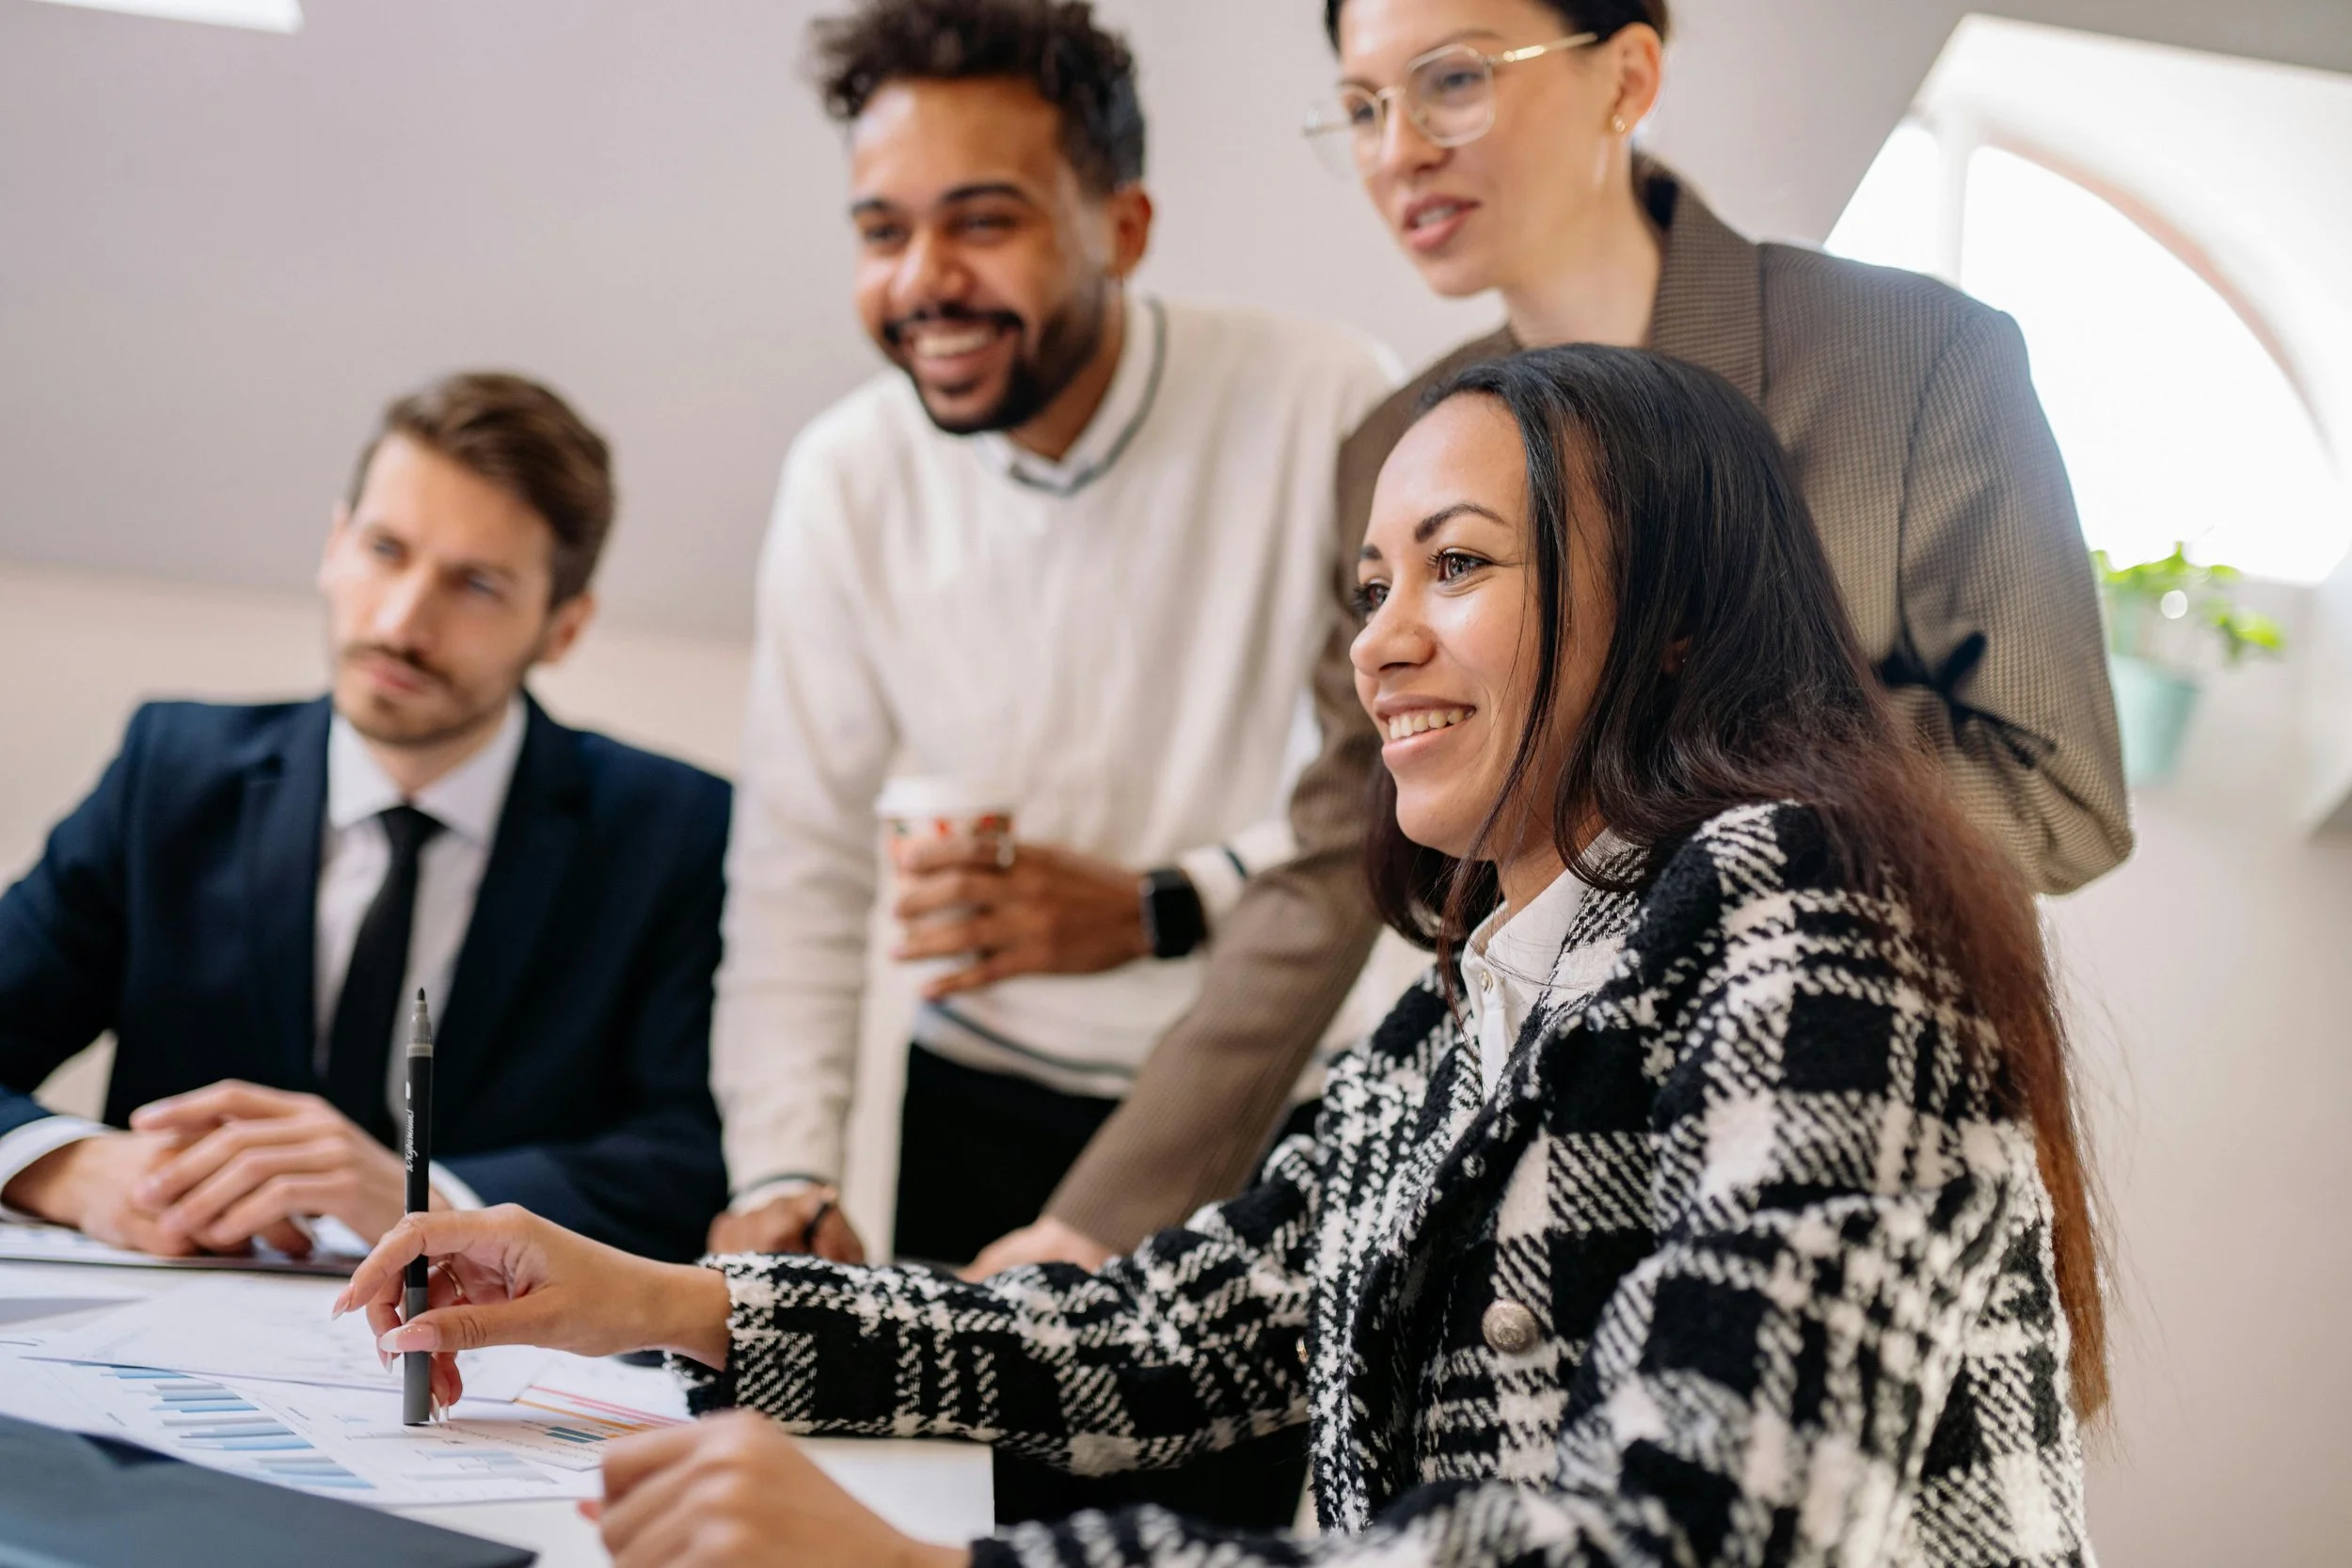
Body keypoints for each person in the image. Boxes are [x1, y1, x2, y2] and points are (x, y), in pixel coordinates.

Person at [341, 343, 2107, 1568]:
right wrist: (653, 1295)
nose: (1383, 645)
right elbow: (1159, 1335)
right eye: (1366, 587)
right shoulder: (1462, 1009)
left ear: (1674, 621)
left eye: (1460, 566)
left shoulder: (1812, 905)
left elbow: (1703, 1533)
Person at [974, 0, 2144, 1283]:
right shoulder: (1398, 450)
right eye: (1361, 107)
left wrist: (1649, 753)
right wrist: (1099, 1219)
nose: (1396, 148)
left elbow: (2061, 790)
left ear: (1626, 76)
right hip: (1529, 1179)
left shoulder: (1914, 360)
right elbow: (1329, 861)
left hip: (1837, 1141)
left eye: (1452, 82)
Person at [0, 372, 731, 1265]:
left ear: (563, 628)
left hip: (493, 1369)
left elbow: (693, 1164)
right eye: (385, 549)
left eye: (475, 584)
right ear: (334, 542)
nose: (400, 621)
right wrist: (74, 1170)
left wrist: (422, 1199)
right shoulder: (171, 773)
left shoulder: (674, 830)